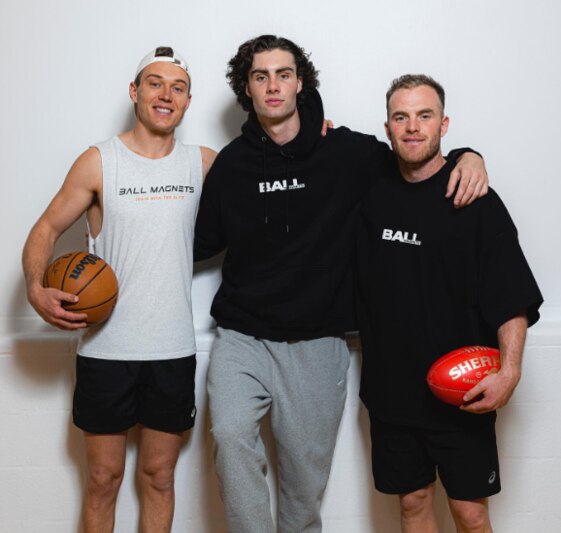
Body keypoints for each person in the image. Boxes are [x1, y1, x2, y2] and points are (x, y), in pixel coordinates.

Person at [194, 35, 488, 533]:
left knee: (303, 487)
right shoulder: (231, 165)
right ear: (246, 88)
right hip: (242, 337)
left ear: (300, 82)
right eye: (260, 76)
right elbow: (197, 243)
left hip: (318, 342)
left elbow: (414, 154)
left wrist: (468, 155)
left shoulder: (347, 153)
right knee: (229, 433)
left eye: (283, 74)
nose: (273, 86)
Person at [22, 47, 216, 533]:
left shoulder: (203, 164)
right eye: (154, 83)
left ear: (189, 101)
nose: (165, 94)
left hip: (171, 348)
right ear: (135, 92)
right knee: (105, 479)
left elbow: (271, 170)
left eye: (177, 87)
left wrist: (319, 129)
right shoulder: (98, 161)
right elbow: (45, 228)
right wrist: (34, 288)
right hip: (106, 349)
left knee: (158, 477)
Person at [355, 74, 543, 532]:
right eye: (402, 117)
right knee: (413, 504)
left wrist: (510, 371)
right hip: (391, 392)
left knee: (471, 514)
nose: (413, 127)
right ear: (387, 126)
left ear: (444, 124)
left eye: (425, 116)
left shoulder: (476, 199)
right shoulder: (370, 192)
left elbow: (511, 296)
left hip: (461, 392)